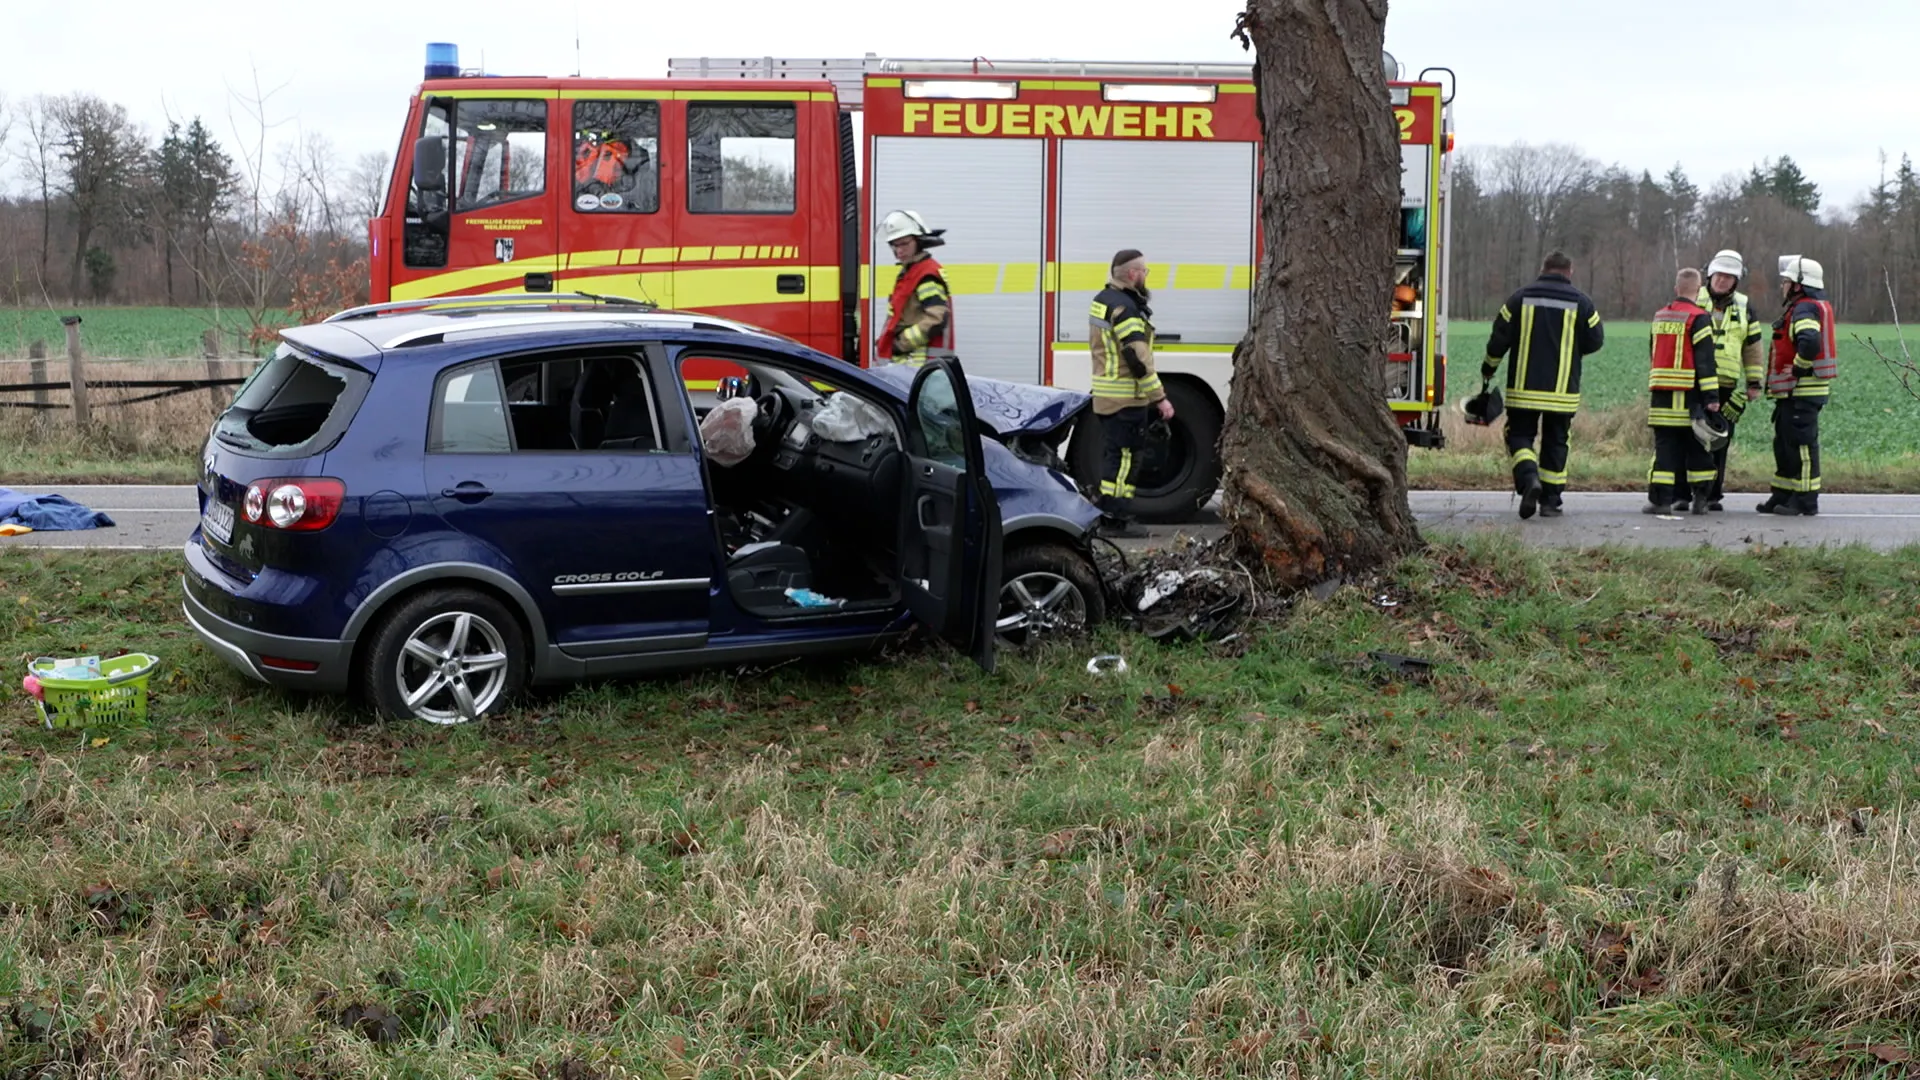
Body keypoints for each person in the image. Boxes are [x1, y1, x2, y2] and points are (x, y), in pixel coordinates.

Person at [1481, 251, 1606, 519]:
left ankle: (1529, 480)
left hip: (1523, 390)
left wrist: (1488, 368)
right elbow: (1596, 340)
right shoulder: (1582, 303)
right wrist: (1573, 351)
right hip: (1562, 392)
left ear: (1543, 268)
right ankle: (1550, 501)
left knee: (1519, 436)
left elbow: (1498, 338)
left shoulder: (1519, 298)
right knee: (1557, 441)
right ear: (1569, 272)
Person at [1089, 249, 1172, 538]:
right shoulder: (1126, 308)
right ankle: (1116, 517)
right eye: (1144, 272)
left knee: (1115, 456)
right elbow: (1137, 358)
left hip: (1107, 397)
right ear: (1133, 274)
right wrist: (1160, 398)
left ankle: (1110, 512)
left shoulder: (1102, 300)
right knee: (1125, 460)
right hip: (1125, 399)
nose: (1146, 277)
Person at [1682, 249, 1766, 512]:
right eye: (1720, 275)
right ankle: (1683, 494)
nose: (1723, 281)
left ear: (1736, 280)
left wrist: (1754, 382)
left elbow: (1753, 347)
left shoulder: (1744, 306)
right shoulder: (1694, 297)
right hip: (1694, 382)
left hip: (1726, 387)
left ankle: (1712, 495)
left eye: (1729, 277)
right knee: (1689, 438)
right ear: (1710, 274)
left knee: (1720, 440)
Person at [1759, 255, 1838, 516]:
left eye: (1786, 281)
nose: (1782, 285)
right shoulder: (1807, 306)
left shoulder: (1805, 308)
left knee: (1801, 448)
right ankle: (1782, 494)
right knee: (1784, 446)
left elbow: (1810, 340)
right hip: (1793, 394)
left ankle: (1804, 500)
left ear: (1798, 285)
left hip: (1802, 391)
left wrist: (1800, 365)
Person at [1644, 268, 1722, 515]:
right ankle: (1700, 499)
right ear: (1699, 291)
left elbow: (1652, 353)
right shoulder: (1699, 318)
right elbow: (1705, 362)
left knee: (1665, 450)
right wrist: (1711, 398)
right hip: (1691, 397)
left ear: (1676, 289)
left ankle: (1662, 501)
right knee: (1697, 447)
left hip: (1662, 395)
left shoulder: (1659, 317)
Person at [875, 210, 952, 367]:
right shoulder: (911, 272)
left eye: (904, 243)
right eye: (894, 245)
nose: (899, 251)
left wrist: (901, 343)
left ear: (919, 241)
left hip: (915, 364)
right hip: (906, 366)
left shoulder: (926, 274)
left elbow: (936, 318)